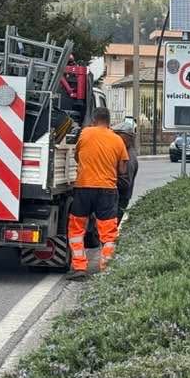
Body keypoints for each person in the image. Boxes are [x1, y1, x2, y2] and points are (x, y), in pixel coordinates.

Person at [67, 108, 129, 279]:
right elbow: (123, 169)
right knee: (108, 233)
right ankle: (106, 269)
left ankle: (79, 267)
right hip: (107, 191)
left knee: (76, 228)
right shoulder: (117, 140)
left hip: (84, 188)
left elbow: (78, 157)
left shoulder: (85, 133)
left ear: (93, 120)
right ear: (109, 122)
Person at [112, 118, 139, 224]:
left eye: (117, 135)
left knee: (110, 227)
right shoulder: (124, 151)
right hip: (118, 198)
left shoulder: (128, 156)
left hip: (120, 199)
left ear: (127, 138)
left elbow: (124, 183)